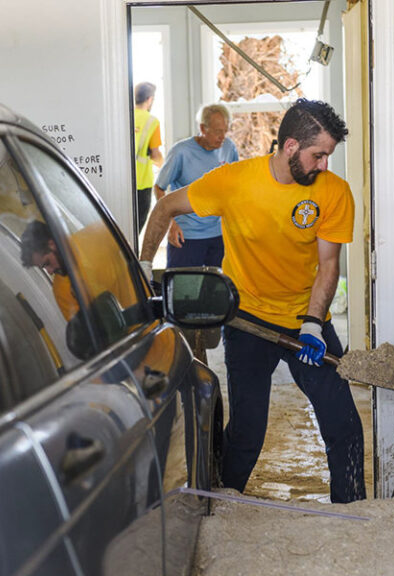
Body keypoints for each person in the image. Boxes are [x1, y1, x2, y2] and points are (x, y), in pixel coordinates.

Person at [139, 99, 365, 503]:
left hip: (305, 321)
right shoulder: (234, 181)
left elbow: (328, 266)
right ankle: (220, 507)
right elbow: (166, 205)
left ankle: (353, 511)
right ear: (292, 146)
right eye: (319, 155)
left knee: (343, 423)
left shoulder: (333, 192)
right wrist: (142, 267)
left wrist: (313, 323)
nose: (324, 165)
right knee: (246, 431)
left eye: (328, 156)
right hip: (246, 320)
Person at [154, 103, 239, 268]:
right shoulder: (181, 152)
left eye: (225, 131)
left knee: (217, 290)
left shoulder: (228, 148)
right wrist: (170, 224)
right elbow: (159, 187)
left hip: (219, 235)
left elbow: (234, 186)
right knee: (184, 291)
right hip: (187, 235)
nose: (222, 137)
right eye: (217, 131)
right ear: (203, 128)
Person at [134, 81, 164, 237]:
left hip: (124, 183)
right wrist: (164, 167)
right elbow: (155, 155)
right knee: (136, 229)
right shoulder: (152, 121)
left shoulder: (125, 116)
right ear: (150, 99)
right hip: (143, 183)